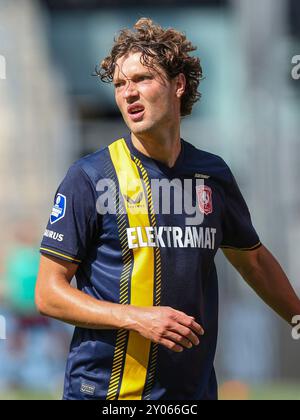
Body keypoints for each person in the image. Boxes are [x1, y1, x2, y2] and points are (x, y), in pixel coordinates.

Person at [35, 18, 300, 400]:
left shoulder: (213, 174)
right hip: (106, 394)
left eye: (142, 79)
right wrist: (136, 317)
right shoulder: (89, 177)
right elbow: (48, 292)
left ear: (178, 85)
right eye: (120, 84)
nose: (128, 93)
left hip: (192, 394)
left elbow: (253, 261)